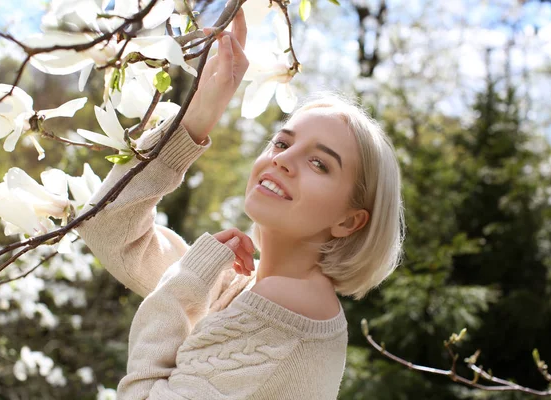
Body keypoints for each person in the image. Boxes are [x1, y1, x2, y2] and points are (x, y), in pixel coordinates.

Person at [77, 6, 404, 400]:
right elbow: (106, 228)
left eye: (319, 163)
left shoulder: (284, 308)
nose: (282, 158)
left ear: (349, 221)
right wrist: (196, 117)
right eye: (282, 143)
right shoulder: (249, 285)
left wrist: (182, 287)